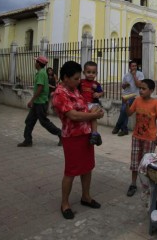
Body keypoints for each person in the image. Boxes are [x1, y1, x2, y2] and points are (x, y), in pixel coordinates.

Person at [52, 61, 104, 220]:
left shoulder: (75, 90)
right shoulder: (60, 94)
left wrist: (95, 110)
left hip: (86, 134)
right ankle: (65, 203)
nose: (78, 81)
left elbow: (85, 107)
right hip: (72, 137)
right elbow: (73, 115)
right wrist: (94, 115)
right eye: (75, 78)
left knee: (87, 167)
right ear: (65, 78)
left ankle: (86, 197)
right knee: (71, 171)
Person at [126, 79, 157, 197]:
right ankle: (133, 184)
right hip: (137, 136)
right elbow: (129, 113)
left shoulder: (155, 103)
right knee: (135, 162)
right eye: (140, 88)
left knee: (147, 163)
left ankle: (148, 184)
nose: (141, 90)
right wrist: (126, 104)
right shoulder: (137, 100)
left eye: (144, 88)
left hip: (150, 138)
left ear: (151, 90)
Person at [17, 56, 62, 147]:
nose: (35, 63)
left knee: (44, 122)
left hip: (40, 102)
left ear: (38, 63)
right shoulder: (41, 73)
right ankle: (28, 140)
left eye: (36, 62)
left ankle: (61, 134)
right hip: (38, 102)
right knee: (29, 121)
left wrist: (31, 100)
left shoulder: (41, 73)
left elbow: (40, 88)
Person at [112, 59, 144, 136]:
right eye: (133, 66)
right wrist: (125, 85)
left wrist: (134, 75)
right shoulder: (126, 75)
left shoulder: (140, 74)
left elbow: (139, 85)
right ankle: (124, 129)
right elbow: (123, 86)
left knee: (123, 109)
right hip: (125, 95)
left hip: (134, 96)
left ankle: (118, 125)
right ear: (130, 67)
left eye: (135, 66)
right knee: (125, 111)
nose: (134, 67)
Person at [79, 61, 104, 146]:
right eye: (88, 72)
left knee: (93, 116)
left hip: (93, 104)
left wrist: (98, 94)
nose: (91, 74)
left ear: (96, 73)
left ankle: (94, 133)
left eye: (93, 72)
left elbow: (102, 92)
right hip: (83, 104)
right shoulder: (81, 82)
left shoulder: (96, 84)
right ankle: (94, 135)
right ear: (84, 72)